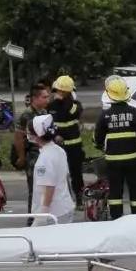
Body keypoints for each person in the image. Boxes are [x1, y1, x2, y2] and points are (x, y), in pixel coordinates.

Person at [27, 114, 76, 271]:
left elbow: (48, 187)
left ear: (37, 135)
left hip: (52, 210)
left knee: (47, 250)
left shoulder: (45, 159)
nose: (27, 134)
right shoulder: (58, 150)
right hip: (64, 206)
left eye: (29, 132)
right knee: (63, 247)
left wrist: (43, 214)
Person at [94, 77, 136, 219]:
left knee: (115, 192)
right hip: (134, 161)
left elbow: (98, 139)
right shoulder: (135, 113)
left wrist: (99, 145)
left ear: (109, 94)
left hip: (113, 162)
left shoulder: (105, 115)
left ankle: (117, 220)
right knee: (135, 190)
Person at [14, 83, 50, 218]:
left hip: (44, 155)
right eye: (44, 97)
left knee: (45, 187)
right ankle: (32, 218)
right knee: (34, 189)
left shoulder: (44, 113)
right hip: (33, 156)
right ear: (35, 98)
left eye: (48, 97)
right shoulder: (27, 115)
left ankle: (44, 215)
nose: (47, 99)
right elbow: (18, 137)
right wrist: (21, 157)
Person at [47, 75, 85, 208]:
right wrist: (55, 135)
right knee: (60, 175)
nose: (57, 92)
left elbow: (69, 112)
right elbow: (49, 122)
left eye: (60, 90)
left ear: (68, 92)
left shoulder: (75, 105)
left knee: (76, 174)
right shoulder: (51, 105)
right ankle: (64, 201)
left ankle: (80, 200)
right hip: (58, 146)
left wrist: (64, 100)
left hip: (74, 145)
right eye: (57, 90)